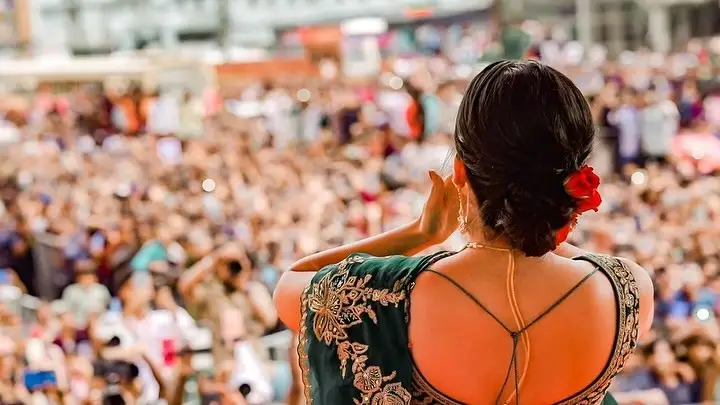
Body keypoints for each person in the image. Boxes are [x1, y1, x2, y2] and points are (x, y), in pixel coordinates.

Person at [274, 61, 654, 404]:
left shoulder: (379, 296)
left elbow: (293, 283)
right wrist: (542, 218)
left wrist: (419, 234)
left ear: (460, 172)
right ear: (577, 180)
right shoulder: (627, 291)